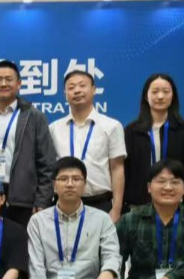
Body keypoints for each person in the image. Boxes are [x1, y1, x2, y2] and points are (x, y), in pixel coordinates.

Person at [0, 60, 57, 225]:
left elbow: (47, 163)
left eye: (8, 79)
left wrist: (42, 200)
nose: (3, 84)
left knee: (21, 241)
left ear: (19, 84)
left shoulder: (33, 116)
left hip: (23, 200)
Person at [49, 69, 126, 222]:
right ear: (65, 94)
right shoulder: (54, 128)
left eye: (82, 85)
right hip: (63, 203)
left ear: (94, 89)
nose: (77, 91)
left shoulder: (111, 126)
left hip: (100, 203)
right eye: (71, 87)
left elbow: (117, 168)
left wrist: (116, 209)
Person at [123, 74, 184, 211]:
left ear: (173, 96)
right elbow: (126, 171)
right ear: (146, 96)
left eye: (166, 91)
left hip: (175, 202)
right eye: (155, 92)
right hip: (139, 204)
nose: (160, 96)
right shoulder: (132, 130)